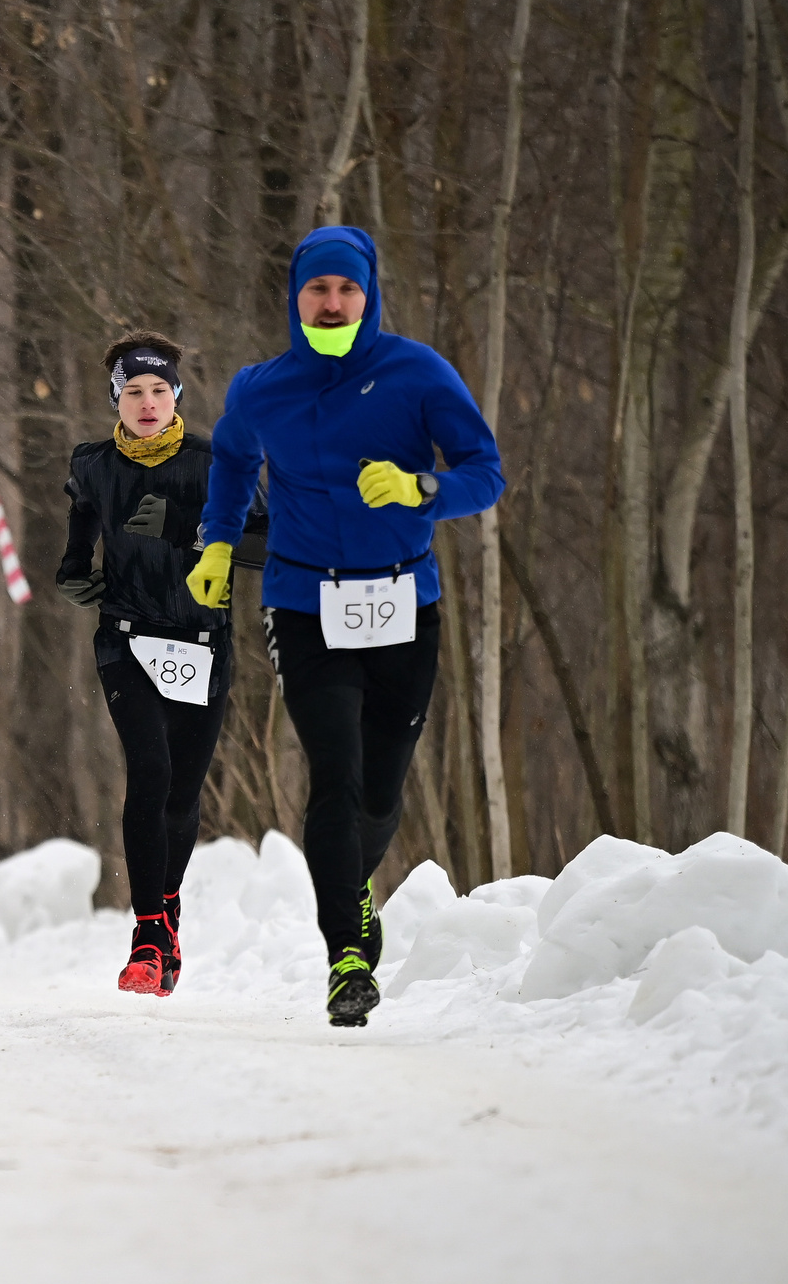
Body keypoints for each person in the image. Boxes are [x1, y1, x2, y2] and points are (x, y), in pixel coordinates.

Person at [192, 226, 503, 1028]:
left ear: (367, 296)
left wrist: (420, 487)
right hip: (305, 606)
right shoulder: (262, 388)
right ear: (295, 298)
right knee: (334, 773)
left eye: (346, 290)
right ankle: (348, 959)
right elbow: (230, 460)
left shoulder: (417, 373)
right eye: (318, 290)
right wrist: (218, 543)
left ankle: (353, 891)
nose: (332, 303)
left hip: (405, 604)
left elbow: (485, 473)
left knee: (381, 790)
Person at [55, 332, 264, 998]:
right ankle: (147, 935)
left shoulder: (214, 464)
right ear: (115, 399)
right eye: (133, 391)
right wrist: (72, 572)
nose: (147, 402)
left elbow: (267, 542)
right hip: (125, 639)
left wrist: (184, 527)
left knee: (180, 792)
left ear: (177, 394)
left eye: (159, 390)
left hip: (201, 643)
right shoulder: (92, 464)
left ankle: (166, 911)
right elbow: (80, 529)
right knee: (148, 772)